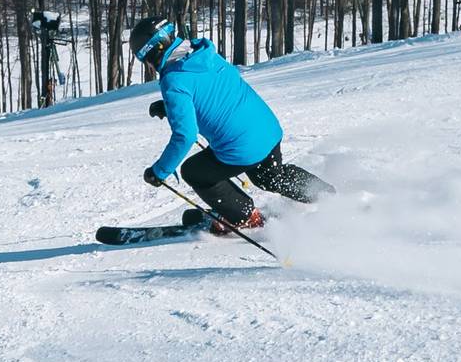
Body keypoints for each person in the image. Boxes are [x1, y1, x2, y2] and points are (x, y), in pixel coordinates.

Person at [130, 17, 334, 234]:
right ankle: (328, 197)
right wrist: (171, 106)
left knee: (194, 171)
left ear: (154, 52)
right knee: (270, 177)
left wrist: (159, 171)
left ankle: (244, 215)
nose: (149, 66)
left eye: (146, 60)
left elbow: (185, 135)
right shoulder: (204, 54)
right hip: (267, 129)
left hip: (241, 147)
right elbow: (209, 93)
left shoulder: (174, 80)